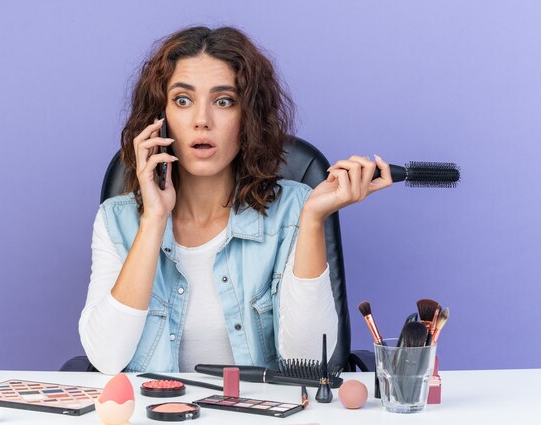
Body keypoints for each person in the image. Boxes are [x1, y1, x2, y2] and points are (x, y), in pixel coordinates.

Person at [79, 26, 392, 374]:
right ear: (159, 119)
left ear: (248, 118)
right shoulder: (116, 220)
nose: (202, 121)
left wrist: (313, 219)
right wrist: (153, 218)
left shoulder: (291, 211)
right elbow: (105, 359)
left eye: (223, 101)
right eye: (183, 101)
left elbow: (308, 363)